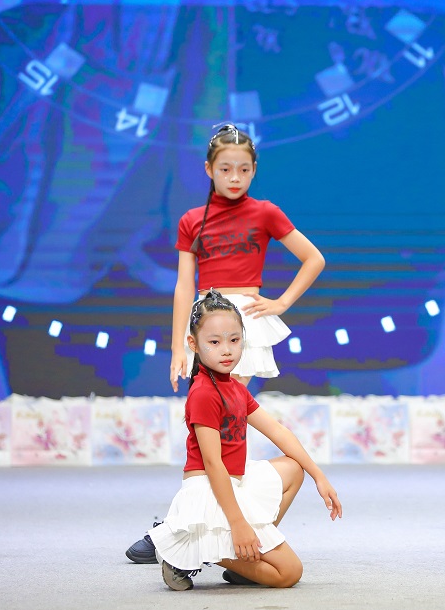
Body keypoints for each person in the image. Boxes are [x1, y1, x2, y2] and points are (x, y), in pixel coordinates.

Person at [127, 123, 325, 563]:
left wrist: (282, 302)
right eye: (225, 169)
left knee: (227, 423)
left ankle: (193, 528)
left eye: (243, 169)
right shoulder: (191, 220)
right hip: (205, 323)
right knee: (210, 425)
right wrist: (177, 346)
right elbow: (184, 286)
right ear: (209, 170)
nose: (235, 177)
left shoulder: (266, 213)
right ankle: (191, 525)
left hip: (243, 327)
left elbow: (314, 258)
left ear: (254, 170)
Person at [151, 290, 342, 591]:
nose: (226, 350)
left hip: (235, 482)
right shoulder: (203, 392)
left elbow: (278, 432)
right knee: (289, 573)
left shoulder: (235, 388)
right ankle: (191, 551)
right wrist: (238, 524)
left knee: (294, 469)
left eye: (234, 340)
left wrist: (320, 476)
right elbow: (212, 463)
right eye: (214, 342)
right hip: (210, 488)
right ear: (194, 345)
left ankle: (243, 558)